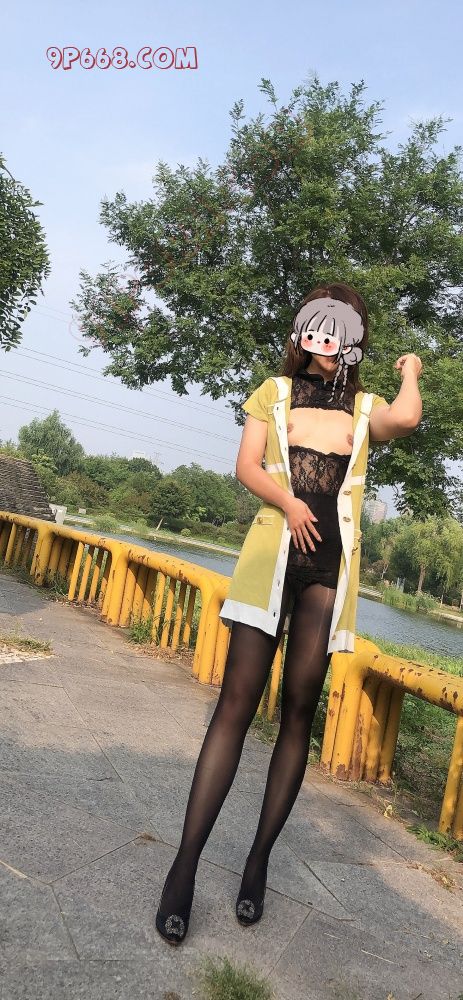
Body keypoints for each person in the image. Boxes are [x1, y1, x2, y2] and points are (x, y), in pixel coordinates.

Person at [155, 281, 423, 945]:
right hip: (269, 560)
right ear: (303, 333)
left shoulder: (364, 408)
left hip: (328, 575)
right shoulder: (272, 394)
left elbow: (407, 419)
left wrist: (412, 371)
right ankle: (183, 868)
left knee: (300, 711)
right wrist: (290, 501)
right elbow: (247, 466)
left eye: (342, 330)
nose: (328, 342)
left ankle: (257, 863)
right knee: (235, 705)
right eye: (318, 328)